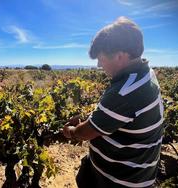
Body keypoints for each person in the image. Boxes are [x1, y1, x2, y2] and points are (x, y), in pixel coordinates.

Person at [62, 16, 164, 188]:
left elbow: (85, 133)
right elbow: (120, 115)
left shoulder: (126, 92)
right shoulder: (144, 73)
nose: (99, 66)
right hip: (127, 171)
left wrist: (71, 132)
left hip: (122, 180)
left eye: (101, 59)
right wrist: (90, 117)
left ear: (120, 56)